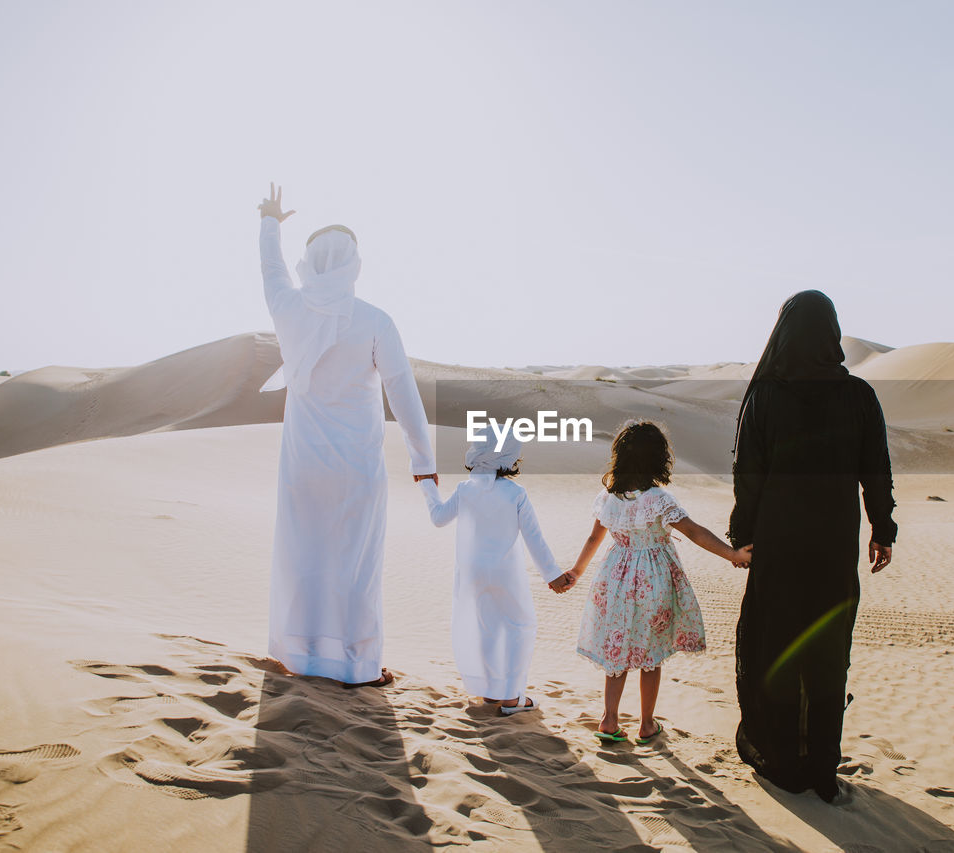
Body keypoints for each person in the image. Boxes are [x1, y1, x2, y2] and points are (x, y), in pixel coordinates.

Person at [257, 183, 437, 688]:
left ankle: (299, 655)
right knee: (355, 565)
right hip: (357, 468)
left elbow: (270, 268)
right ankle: (357, 665)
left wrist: (269, 222)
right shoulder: (375, 320)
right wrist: (423, 457)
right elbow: (402, 392)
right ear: (354, 264)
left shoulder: (287, 307)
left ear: (310, 263)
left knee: (303, 557)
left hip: (301, 466)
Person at [727, 289, 896, 802]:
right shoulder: (858, 395)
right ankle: (821, 765)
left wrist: (743, 535)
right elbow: (877, 469)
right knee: (827, 652)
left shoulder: (767, 395)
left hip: (778, 547)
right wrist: (882, 530)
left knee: (775, 646)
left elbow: (747, 475)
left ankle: (782, 759)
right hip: (833, 546)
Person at [558, 421, 753, 744]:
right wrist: (731, 552)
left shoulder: (610, 497)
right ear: (658, 459)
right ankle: (647, 724)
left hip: (616, 578)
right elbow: (694, 531)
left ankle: (609, 719)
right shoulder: (658, 499)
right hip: (653, 580)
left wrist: (578, 571)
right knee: (650, 654)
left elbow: (595, 537)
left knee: (617, 647)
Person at [419, 434, 568, 713]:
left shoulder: (465, 489)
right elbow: (533, 538)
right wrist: (553, 575)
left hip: (471, 573)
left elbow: (438, 518)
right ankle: (512, 697)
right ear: (508, 458)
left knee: (485, 628)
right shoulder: (515, 493)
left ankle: (489, 691)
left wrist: (427, 484)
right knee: (518, 627)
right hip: (504, 573)